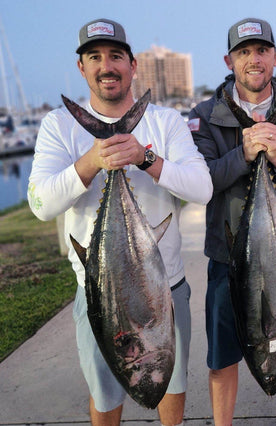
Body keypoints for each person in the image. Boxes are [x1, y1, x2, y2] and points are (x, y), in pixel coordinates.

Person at [27, 18, 213, 426]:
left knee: (171, 383)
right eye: (94, 57)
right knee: (106, 390)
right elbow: (40, 204)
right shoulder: (58, 125)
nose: (105, 66)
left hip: (165, 288)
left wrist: (145, 158)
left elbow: (202, 189)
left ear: (132, 65)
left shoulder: (165, 122)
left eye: (115, 56)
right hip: (99, 291)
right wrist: (92, 162)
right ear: (81, 68)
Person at [188, 17, 276, 426]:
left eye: (262, 50)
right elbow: (200, 183)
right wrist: (244, 155)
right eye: (244, 52)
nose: (254, 59)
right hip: (226, 256)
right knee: (222, 352)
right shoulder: (204, 116)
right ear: (229, 60)